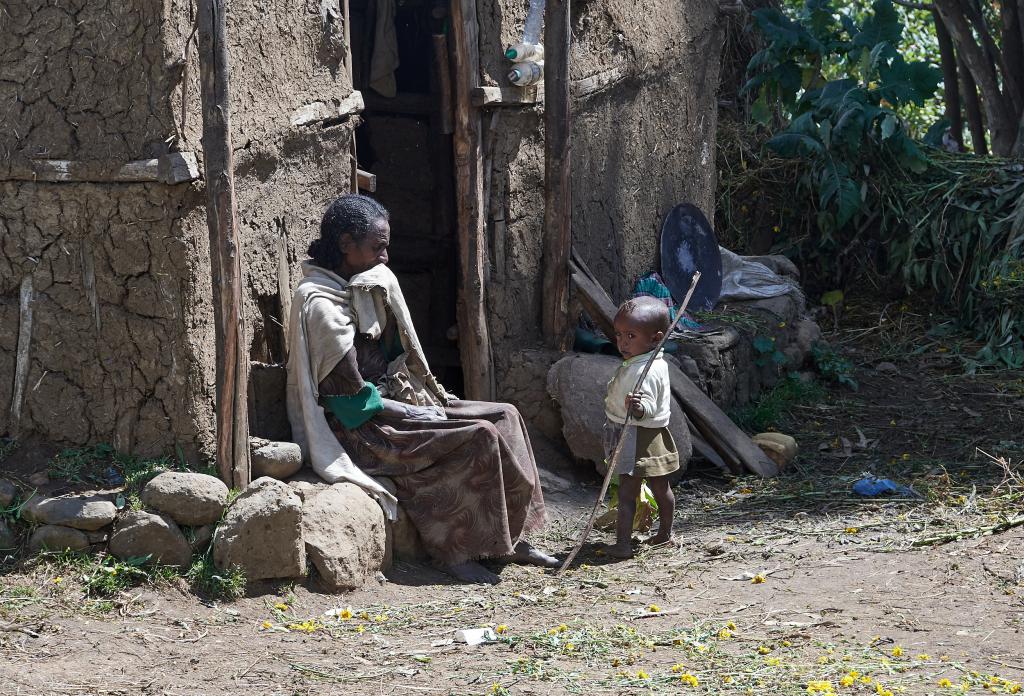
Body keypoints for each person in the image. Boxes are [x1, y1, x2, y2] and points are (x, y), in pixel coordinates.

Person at [286, 194, 558, 584]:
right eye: (378, 248)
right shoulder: (321, 306)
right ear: (347, 244)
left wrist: (420, 398)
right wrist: (414, 412)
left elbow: (398, 356)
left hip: (393, 404)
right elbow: (352, 405)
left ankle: (514, 538)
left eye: (386, 248)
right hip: (364, 431)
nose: (385, 258)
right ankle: (456, 550)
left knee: (505, 415)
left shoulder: (362, 288)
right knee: (477, 435)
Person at [602, 297, 679, 559]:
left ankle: (624, 544)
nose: (622, 342)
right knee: (659, 487)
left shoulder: (647, 370)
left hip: (637, 435)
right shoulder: (643, 361)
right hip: (643, 434)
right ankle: (664, 534)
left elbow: (647, 404)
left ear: (655, 338)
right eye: (619, 334)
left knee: (628, 491)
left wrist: (636, 408)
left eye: (631, 335)